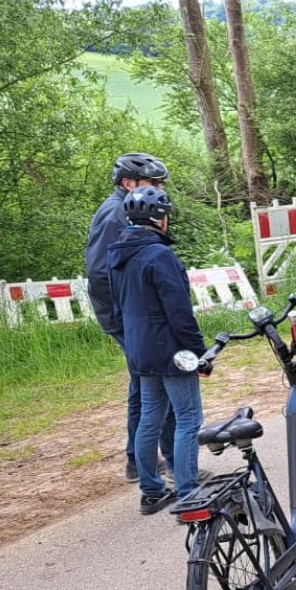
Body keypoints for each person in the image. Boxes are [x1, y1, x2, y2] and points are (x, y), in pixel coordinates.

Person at [106, 187, 206, 514]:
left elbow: (118, 308)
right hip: (171, 351)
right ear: (159, 219)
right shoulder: (160, 256)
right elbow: (180, 313)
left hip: (139, 350)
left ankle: (151, 491)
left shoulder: (117, 255)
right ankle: (189, 490)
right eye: (166, 215)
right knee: (189, 418)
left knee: (150, 417)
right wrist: (199, 352)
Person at [86, 153, 179, 485]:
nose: (160, 189)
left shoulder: (129, 207)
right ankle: (156, 463)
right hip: (127, 314)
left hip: (135, 313)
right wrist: (131, 314)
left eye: (161, 183)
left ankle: (149, 461)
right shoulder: (115, 214)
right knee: (155, 380)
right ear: (129, 184)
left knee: (148, 381)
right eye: (154, 183)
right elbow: (100, 272)